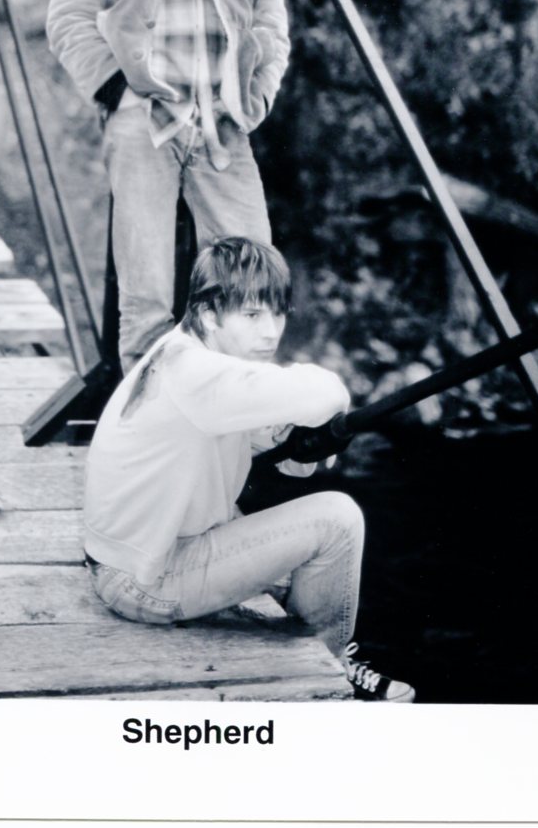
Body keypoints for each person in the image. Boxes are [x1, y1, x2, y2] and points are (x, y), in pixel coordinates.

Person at [81, 236, 416, 702]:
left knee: (315, 569)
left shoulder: (183, 355)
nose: (271, 332)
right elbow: (327, 393)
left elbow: (282, 451)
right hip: (142, 580)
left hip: (132, 558)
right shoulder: (198, 374)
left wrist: (301, 441)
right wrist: (320, 404)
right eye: (253, 315)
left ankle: (316, 659)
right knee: (337, 520)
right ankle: (332, 674)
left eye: (278, 314)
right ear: (208, 313)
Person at [47, 0, 290, 372]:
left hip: (222, 122)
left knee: (252, 281)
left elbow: (270, 21)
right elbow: (68, 17)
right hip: (145, 120)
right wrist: (117, 92)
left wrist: (256, 98)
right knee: (146, 295)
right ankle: (149, 416)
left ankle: (238, 412)